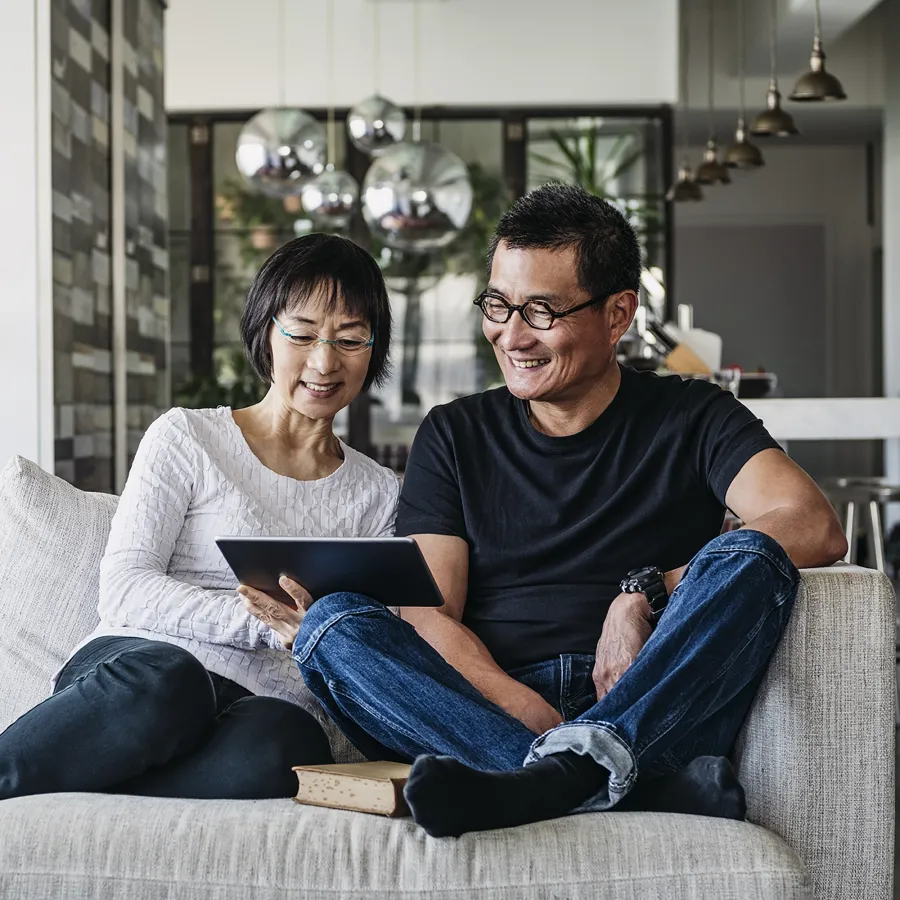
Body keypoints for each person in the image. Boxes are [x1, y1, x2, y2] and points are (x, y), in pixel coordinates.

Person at [243, 185, 848, 836]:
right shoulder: (454, 434)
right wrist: (518, 704)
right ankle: (611, 779)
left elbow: (811, 523)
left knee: (752, 555)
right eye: (499, 305)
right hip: (489, 705)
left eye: (541, 311)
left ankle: (542, 782)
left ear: (618, 315)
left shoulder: (694, 416)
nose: (512, 335)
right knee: (331, 626)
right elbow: (430, 613)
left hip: (651, 688)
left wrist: (646, 592)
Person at [0, 233, 399, 801]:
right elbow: (124, 590)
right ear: (267, 331)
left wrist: (324, 636)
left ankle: (91, 775)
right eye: (303, 333)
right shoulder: (188, 436)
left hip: (251, 707)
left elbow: (365, 631)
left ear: (373, 348)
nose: (324, 361)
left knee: (288, 744)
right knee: (173, 680)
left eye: (350, 339)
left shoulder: (378, 494)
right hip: (137, 674)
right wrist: (267, 624)